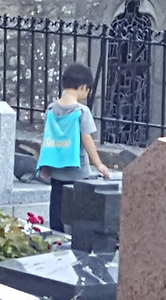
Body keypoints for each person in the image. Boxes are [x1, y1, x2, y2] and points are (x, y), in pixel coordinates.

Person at [36, 63, 111, 232]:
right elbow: (87, 139)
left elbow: (47, 137)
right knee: (78, 207)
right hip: (77, 170)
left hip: (56, 168)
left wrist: (44, 164)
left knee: (56, 203)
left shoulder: (51, 109)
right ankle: (76, 235)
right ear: (83, 87)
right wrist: (98, 164)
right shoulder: (81, 112)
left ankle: (56, 234)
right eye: (87, 91)